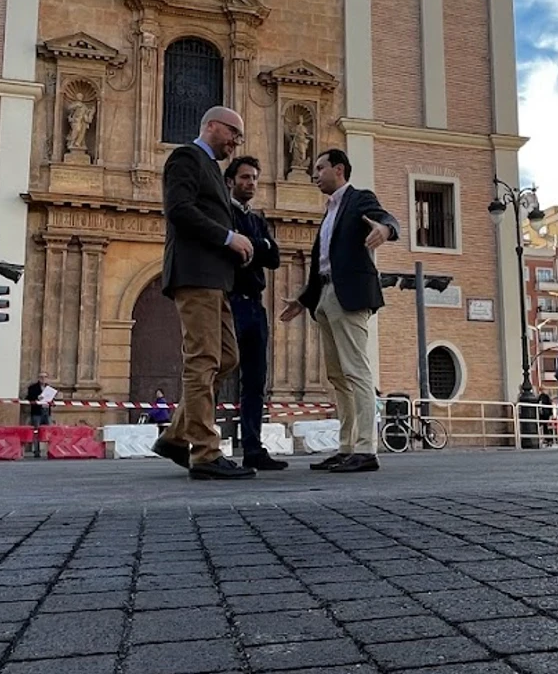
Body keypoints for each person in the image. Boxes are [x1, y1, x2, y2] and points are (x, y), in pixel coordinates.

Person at [155, 105, 256, 480]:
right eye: (233, 134)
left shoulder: (211, 167)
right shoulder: (186, 157)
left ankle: (176, 436)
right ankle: (205, 452)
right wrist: (229, 237)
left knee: (226, 357)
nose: (235, 143)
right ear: (212, 126)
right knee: (203, 360)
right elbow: (178, 210)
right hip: (195, 274)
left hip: (216, 279)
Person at [281, 148, 399, 473]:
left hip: (350, 296)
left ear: (339, 169)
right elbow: (324, 262)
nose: (314, 173)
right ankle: (347, 447)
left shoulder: (359, 199)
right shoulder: (329, 212)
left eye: (320, 168)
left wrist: (386, 230)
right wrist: (304, 299)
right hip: (325, 296)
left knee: (356, 372)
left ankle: (365, 449)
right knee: (337, 376)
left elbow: (386, 218)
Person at [225, 155, 287, 470]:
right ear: (231, 181)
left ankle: (252, 448)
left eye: (254, 178)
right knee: (217, 371)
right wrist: (257, 245)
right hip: (230, 302)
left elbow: (274, 257)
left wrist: (253, 245)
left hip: (255, 305)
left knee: (255, 380)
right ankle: (204, 445)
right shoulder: (223, 214)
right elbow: (229, 250)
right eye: (245, 177)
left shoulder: (258, 218)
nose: (251, 183)